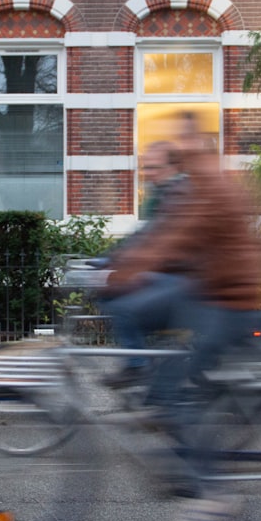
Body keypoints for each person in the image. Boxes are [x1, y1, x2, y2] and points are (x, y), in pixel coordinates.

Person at [99, 111, 261, 521]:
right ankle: (157, 402)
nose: (181, 154)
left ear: (200, 150)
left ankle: (212, 493)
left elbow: (174, 240)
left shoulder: (212, 189)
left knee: (174, 391)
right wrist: (123, 266)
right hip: (209, 297)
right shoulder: (201, 188)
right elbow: (164, 236)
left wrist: (125, 272)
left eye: (187, 147)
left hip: (230, 306)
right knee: (161, 366)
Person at [98, 139, 188, 388]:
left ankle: (138, 365)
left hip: (184, 278)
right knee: (110, 293)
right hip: (168, 272)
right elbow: (143, 235)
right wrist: (108, 259)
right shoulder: (163, 194)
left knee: (124, 306)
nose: (148, 174)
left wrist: (124, 268)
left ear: (173, 167)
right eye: (146, 168)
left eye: (154, 168)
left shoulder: (179, 194)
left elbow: (158, 240)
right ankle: (149, 356)